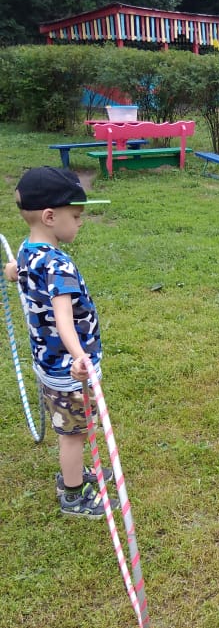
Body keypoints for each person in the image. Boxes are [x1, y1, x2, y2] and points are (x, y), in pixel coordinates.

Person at [7, 166, 117, 518]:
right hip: (69, 369)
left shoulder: (29, 250)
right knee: (75, 433)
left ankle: (75, 475)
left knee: (73, 427)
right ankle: (73, 493)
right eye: (76, 215)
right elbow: (64, 320)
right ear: (51, 216)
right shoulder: (58, 266)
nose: (80, 222)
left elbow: (18, 271)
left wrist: (12, 272)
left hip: (48, 362)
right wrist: (80, 356)